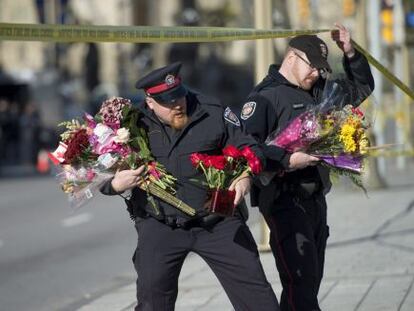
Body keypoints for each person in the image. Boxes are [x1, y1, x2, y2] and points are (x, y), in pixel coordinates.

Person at [100, 62, 280, 311]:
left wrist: (246, 175)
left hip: (218, 221)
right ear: (150, 102)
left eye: (179, 95)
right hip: (161, 224)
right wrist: (116, 184)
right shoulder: (132, 125)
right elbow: (100, 174)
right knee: (152, 301)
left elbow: (249, 146)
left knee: (258, 298)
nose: (177, 104)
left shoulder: (212, 111)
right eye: (167, 100)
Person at [237, 24, 375, 311]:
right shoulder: (263, 98)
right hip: (283, 198)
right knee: (300, 281)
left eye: (320, 69)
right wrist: (287, 160)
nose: (317, 74)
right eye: (312, 67)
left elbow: (362, 87)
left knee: (309, 283)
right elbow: (247, 148)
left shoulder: (320, 89)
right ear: (291, 58)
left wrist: (349, 52)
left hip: (314, 197)